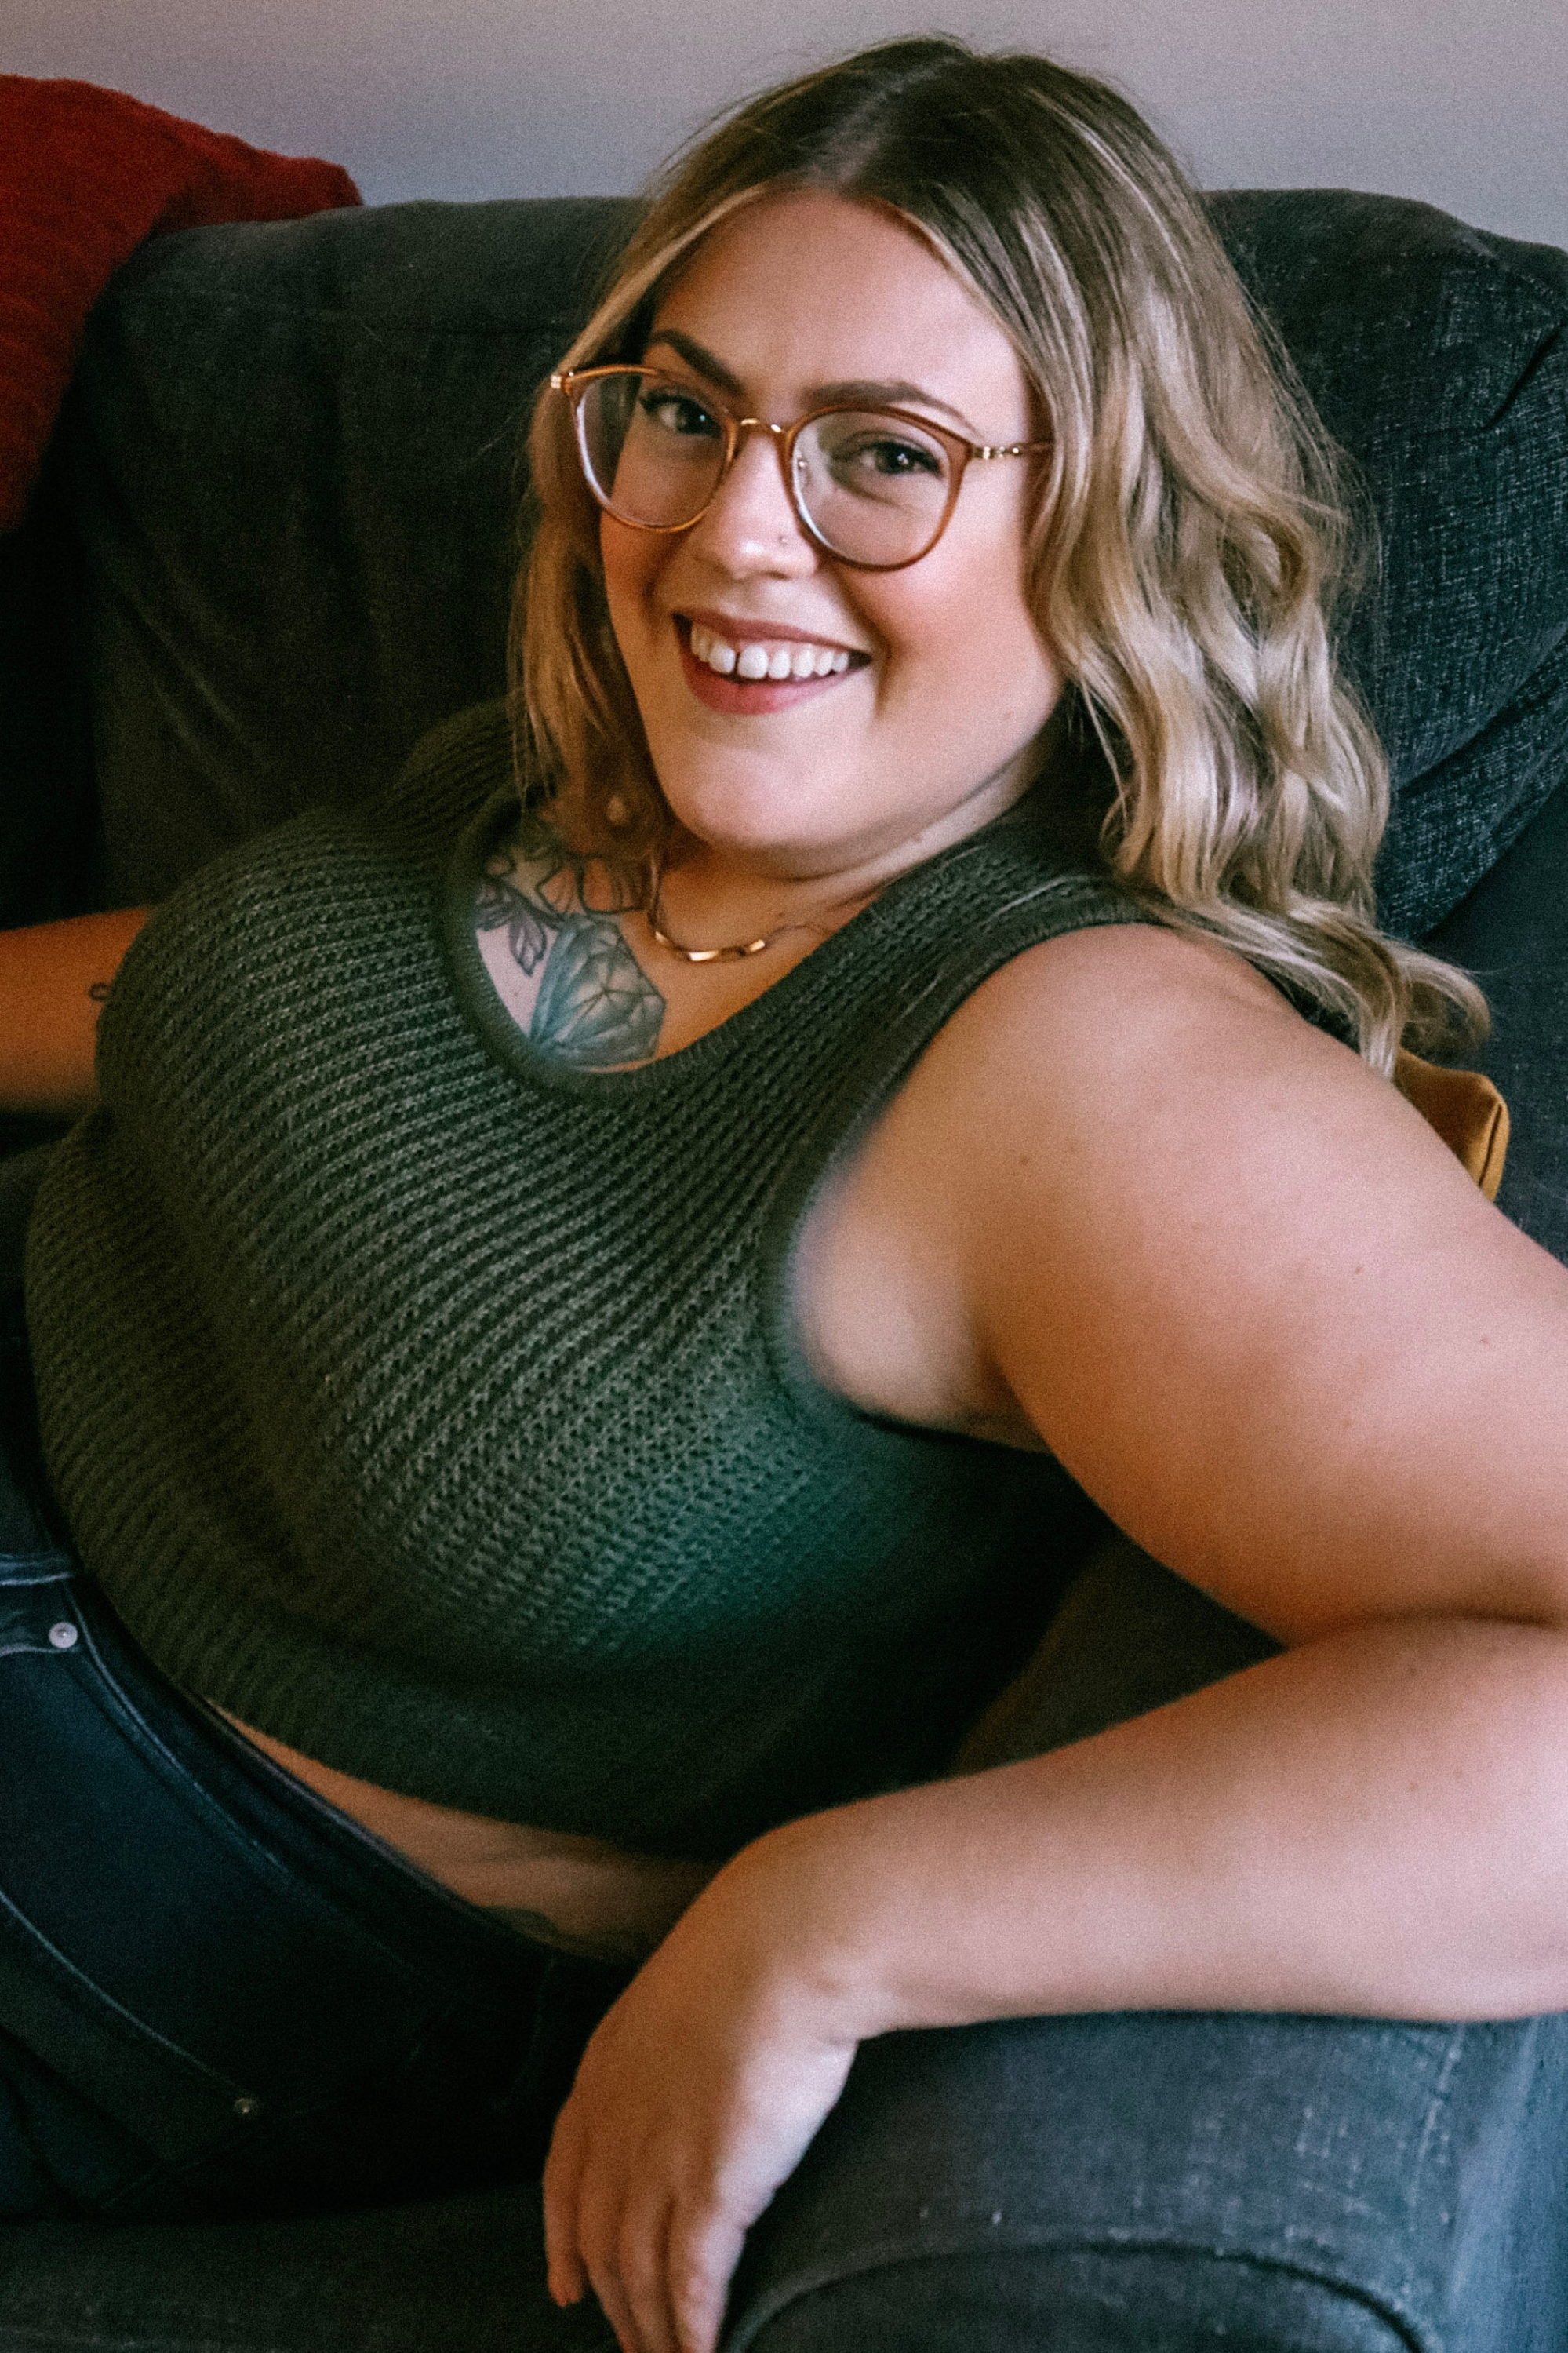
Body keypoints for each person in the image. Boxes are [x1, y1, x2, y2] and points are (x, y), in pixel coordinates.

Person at [2, 34, 1566, 2353]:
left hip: (120, 1899)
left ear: (1109, 525)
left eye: (885, 455)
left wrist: (838, 1918)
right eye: (688, 412)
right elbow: (231, 1010)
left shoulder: (1088, 1075)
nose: (734, 530)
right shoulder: (604, 779)